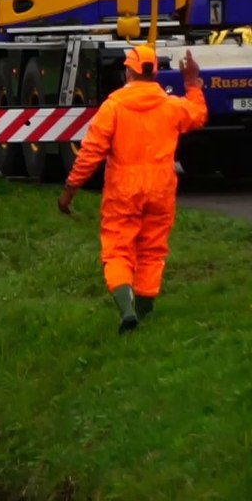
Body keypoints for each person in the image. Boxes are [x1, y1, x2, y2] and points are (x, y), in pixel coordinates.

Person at [59, 45, 207, 334]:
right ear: (155, 73)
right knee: (152, 250)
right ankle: (145, 313)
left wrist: (69, 191)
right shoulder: (171, 106)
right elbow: (198, 114)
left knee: (117, 249)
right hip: (161, 188)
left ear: (128, 71)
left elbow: (90, 153)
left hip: (123, 190)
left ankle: (127, 312)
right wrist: (192, 82)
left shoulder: (113, 107)